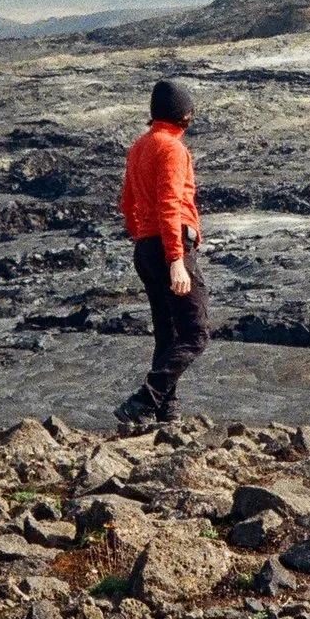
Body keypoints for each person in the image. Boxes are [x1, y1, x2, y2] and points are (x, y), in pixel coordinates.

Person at [114, 77, 207, 427]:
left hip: (146, 247)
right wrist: (175, 260)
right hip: (170, 246)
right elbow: (170, 205)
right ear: (181, 113)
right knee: (196, 333)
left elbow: (127, 203)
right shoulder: (172, 149)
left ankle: (167, 413)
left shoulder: (139, 146)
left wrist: (143, 239)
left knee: (167, 334)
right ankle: (145, 400)